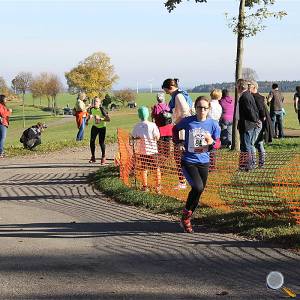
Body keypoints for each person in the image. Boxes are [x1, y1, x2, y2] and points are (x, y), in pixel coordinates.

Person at [173, 96, 221, 233]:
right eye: (199, 107)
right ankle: (186, 217)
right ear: (195, 108)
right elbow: (174, 130)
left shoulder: (213, 124)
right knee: (198, 187)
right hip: (189, 161)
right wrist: (178, 143)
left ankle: (186, 216)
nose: (202, 110)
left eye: (205, 108)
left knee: (198, 191)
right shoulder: (188, 121)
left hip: (204, 162)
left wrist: (211, 141)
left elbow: (217, 144)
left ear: (208, 109)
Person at [162, 78, 193, 189]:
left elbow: (186, 111)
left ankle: (183, 182)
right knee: (181, 156)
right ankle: (186, 181)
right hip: (182, 129)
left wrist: (178, 122)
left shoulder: (179, 96)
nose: (166, 93)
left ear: (170, 88)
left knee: (179, 157)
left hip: (182, 131)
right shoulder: (181, 94)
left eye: (166, 90)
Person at [132, 106, 161, 192]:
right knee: (156, 168)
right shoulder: (152, 125)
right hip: (152, 151)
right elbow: (157, 137)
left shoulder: (137, 126)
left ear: (139, 115)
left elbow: (133, 136)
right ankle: (158, 186)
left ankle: (145, 186)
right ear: (148, 114)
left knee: (144, 169)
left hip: (142, 151)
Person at [237, 79, 260, 171]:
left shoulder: (244, 97)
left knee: (246, 146)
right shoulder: (247, 95)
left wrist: (255, 120)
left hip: (247, 125)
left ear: (240, 87)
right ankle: (244, 165)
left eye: (237, 86)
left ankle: (248, 166)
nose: (236, 88)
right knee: (245, 146)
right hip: (247, 125)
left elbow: (250, 110)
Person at [249, 81, 272, 168]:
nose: (248, 89)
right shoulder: (259, 97)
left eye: (250, 87)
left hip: (258, 123)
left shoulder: (256, 97)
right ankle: (262, 163)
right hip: (261, 123)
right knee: (259, 143)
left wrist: (260, 119)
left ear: (254, 87)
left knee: (252, 143)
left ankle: (254, 163)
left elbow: (261, 110)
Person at [88, 97, 110, 164]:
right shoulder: (91, 109)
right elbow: (90, 115)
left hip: (102, 127)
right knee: (92, 141)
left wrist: (100, 119)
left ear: (100, 103)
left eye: (97, 101)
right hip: (95, 127)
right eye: (94, 101)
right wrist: (88, 119)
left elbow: (108, 119)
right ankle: (93, 157)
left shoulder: (102, 109)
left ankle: (103, 157)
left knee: (101, 142)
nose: (95, 103)